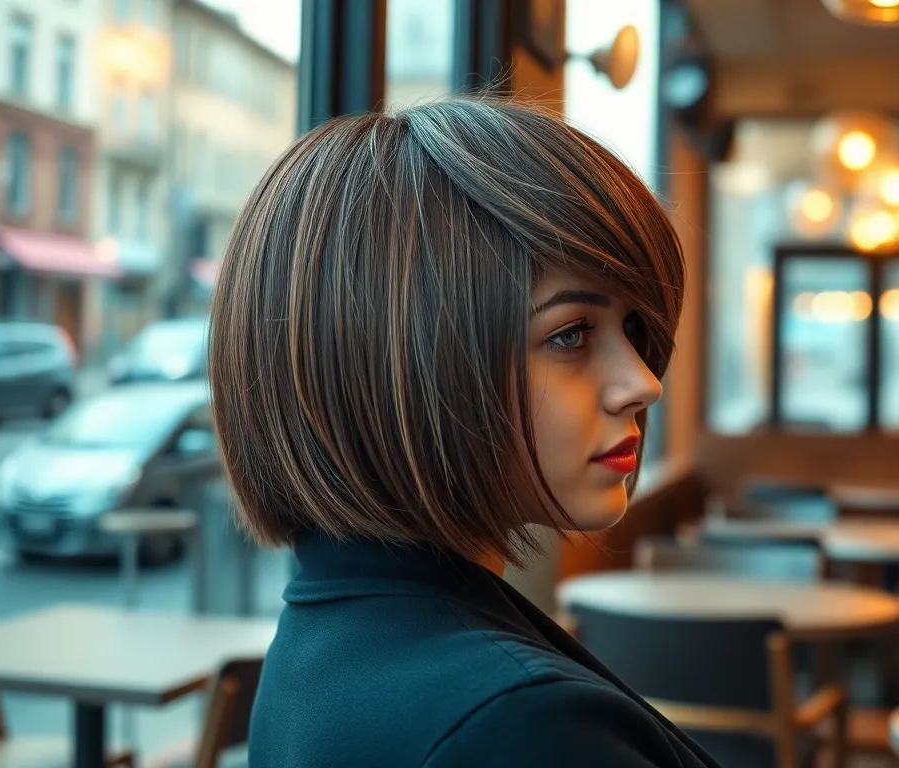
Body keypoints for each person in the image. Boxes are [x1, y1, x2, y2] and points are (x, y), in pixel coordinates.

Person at [208, 98, 717, 767]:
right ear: (400, 366)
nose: (643, 383)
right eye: (570, 335)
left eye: (632, 330)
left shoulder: (326, 639)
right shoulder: (518, 726)